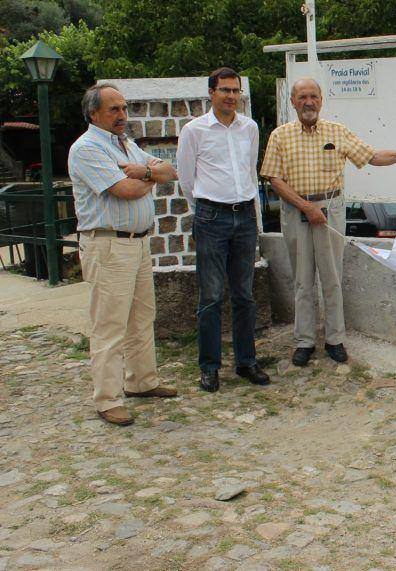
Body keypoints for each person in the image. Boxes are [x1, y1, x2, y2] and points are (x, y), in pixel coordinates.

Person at [260, 78, 396, 367]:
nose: (309, 102)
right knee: (302, 280)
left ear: (321, 100)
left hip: (330, 210)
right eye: (303, 97)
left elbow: (370, 156)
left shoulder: (337, 132)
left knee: (331, 277)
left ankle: (335, 339)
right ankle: (304, 341)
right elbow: (274, 179)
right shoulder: (280, 136)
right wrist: (306, 207)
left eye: (314, 96)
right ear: (293, 102)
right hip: (297, 211)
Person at [68, 84, 179, 426]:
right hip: (109, 245)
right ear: (94, 114)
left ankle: (142, 381)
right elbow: (125, 191)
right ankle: (107, 398)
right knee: (110, 324)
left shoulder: (124, 144)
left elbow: (169, 171)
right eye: (113, 109)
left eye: (123, 108)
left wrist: (143, 172)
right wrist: (146, 175)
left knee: (142, 316)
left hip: (138, 243)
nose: (121, 116)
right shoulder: (87, 148)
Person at [177, 67, 268, 392]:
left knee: (244, 295)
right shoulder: (194, 130)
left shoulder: (250, 128)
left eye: (235, 90)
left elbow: (249, 170)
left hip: (244, 216)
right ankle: (210, 366)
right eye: (225, 90)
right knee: (211, 296)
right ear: (212, 93)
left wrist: (250, 214)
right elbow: (187, 179)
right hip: (211, 217)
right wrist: (204, 210)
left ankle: (246, 361)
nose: (231, 96)